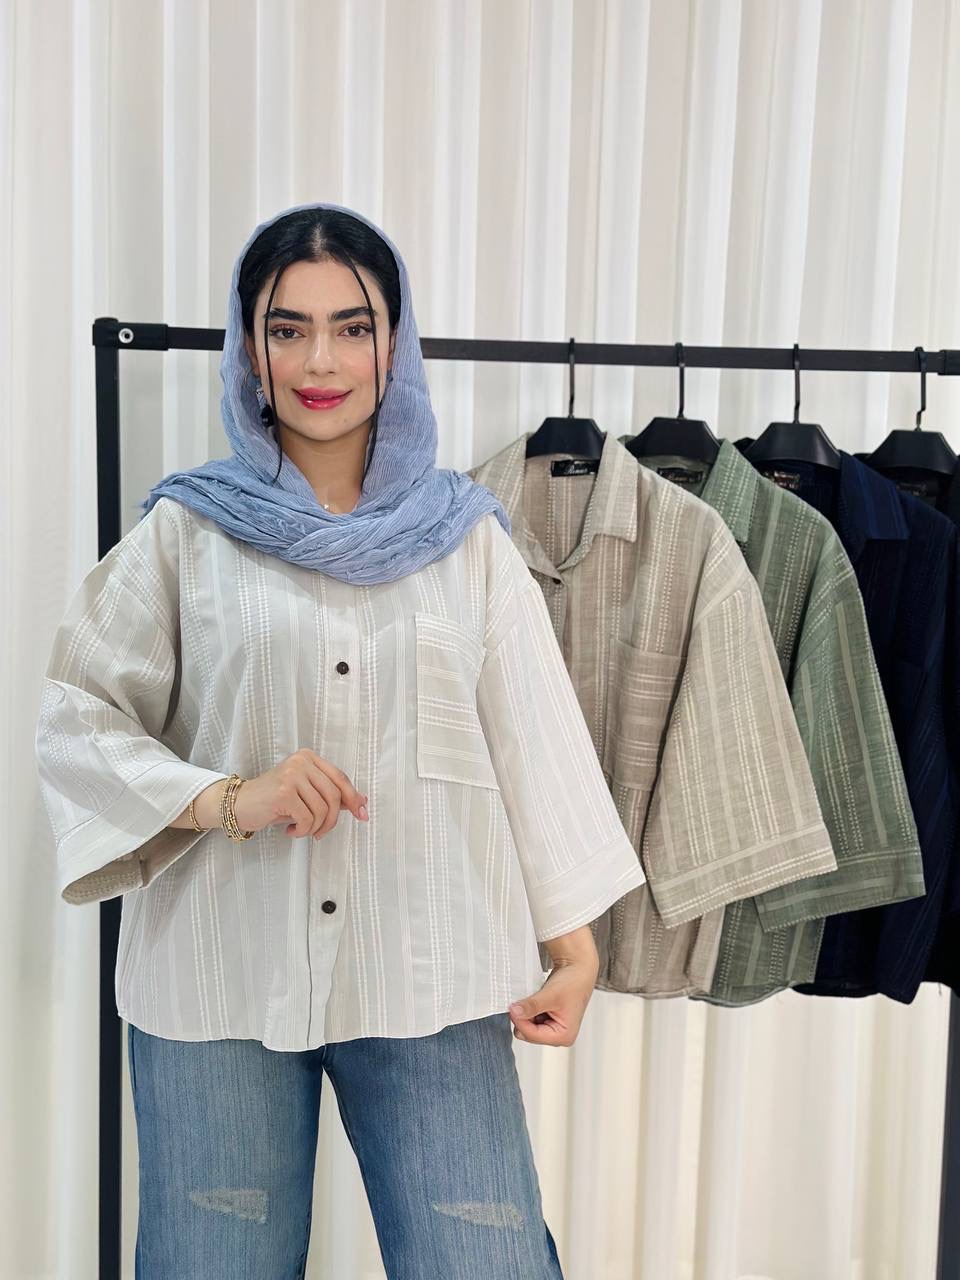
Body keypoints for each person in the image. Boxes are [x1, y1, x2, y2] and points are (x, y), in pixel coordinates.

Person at [35, 201, 647, 1278]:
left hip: (431, 972)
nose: (321, 360)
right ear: (250, 349)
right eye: (289, 328)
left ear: (394, 344)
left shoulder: (466, 541)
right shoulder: (186, 532)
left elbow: (535, 740)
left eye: (352, 327)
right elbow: (77, 718)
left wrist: (576, 947)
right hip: (220, 977)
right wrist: (233, 797)